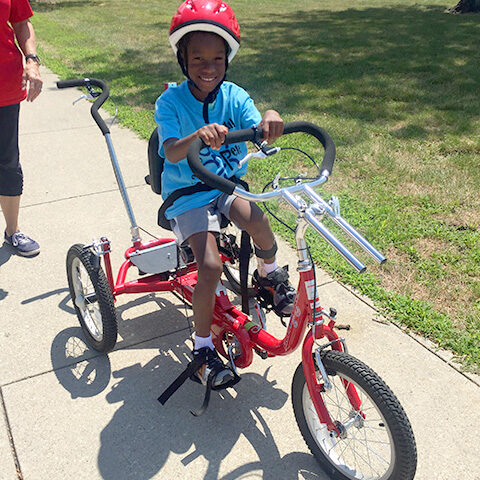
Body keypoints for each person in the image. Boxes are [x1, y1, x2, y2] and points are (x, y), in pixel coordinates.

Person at [155, 0, 296, 388]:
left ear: (227, 60)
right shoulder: (170, 101)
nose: (208, 66)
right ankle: (202, 349)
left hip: (226, 186)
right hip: (188, 193)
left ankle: (268, 277)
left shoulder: (233, 95)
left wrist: (269, 118)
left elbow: (257, 124)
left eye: (217, 58)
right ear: (182, 59)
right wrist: (197, 137)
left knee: (257, 219)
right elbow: (169, 150)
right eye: (198, 57)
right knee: (212, 267)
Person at [0, 0, 42, 256]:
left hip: (4, 85)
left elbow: (22, 22)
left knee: (8, 161)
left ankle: (12, 231)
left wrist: (32, 60)